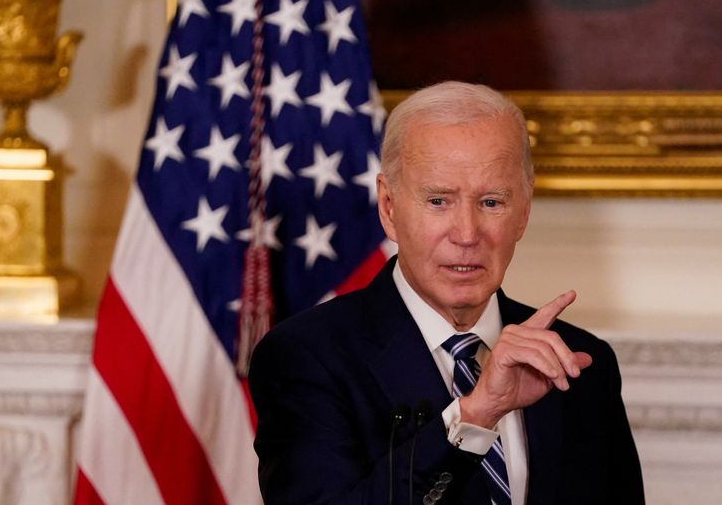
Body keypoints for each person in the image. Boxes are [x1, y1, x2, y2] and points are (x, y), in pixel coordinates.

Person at [248, 82, 644, 504]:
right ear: (389, 207)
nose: (467, 234)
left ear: (523, 212)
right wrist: (474, 416)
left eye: (491, 202)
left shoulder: (581, 362)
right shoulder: (307, 358)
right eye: (438, 201)